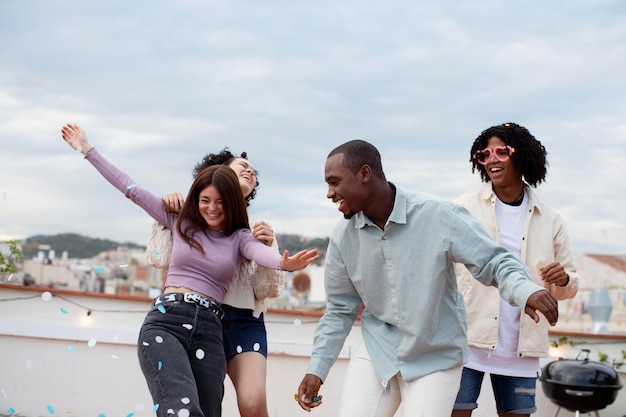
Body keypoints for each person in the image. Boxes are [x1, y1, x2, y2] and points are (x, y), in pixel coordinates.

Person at [60, 124, 319, 417]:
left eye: (220, 201)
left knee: (217, 410)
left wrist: (286, 262)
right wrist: (87, 149)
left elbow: (262, 256)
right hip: (170, 318)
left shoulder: (243, 234)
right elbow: (130, 189)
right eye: (206, 200)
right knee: (182, 410)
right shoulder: (182, 220)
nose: (212, 208)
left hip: (216, 326)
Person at [296, 139, 559, 416]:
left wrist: (524, 290)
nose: (329, 193)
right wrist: (317, 368)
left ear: (364, 174)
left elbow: (493, 261)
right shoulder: (342, 237)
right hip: (378, 349)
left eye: (334, 182)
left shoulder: (438, 215)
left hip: (435, 354)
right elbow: (339, 310)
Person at [451, 123, 578, 417]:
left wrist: (564, 279)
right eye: (485, 154)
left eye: (501, 151)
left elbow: (570, 285)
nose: (492, 159)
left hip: (522, 347)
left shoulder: (551, 219)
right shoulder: (463, 209)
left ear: (522, 156)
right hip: (467, 340)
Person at [162, 148, 283, 417]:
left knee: (253, 403)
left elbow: (268, 289)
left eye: (253, 170)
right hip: (199, 318)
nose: (250, 171)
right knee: (199, 405)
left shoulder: (258, 228)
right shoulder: (193, 218)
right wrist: (166, 213)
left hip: (245, 323)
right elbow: (160, 260)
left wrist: (269, 245)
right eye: (243, 165)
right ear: (220, 170)